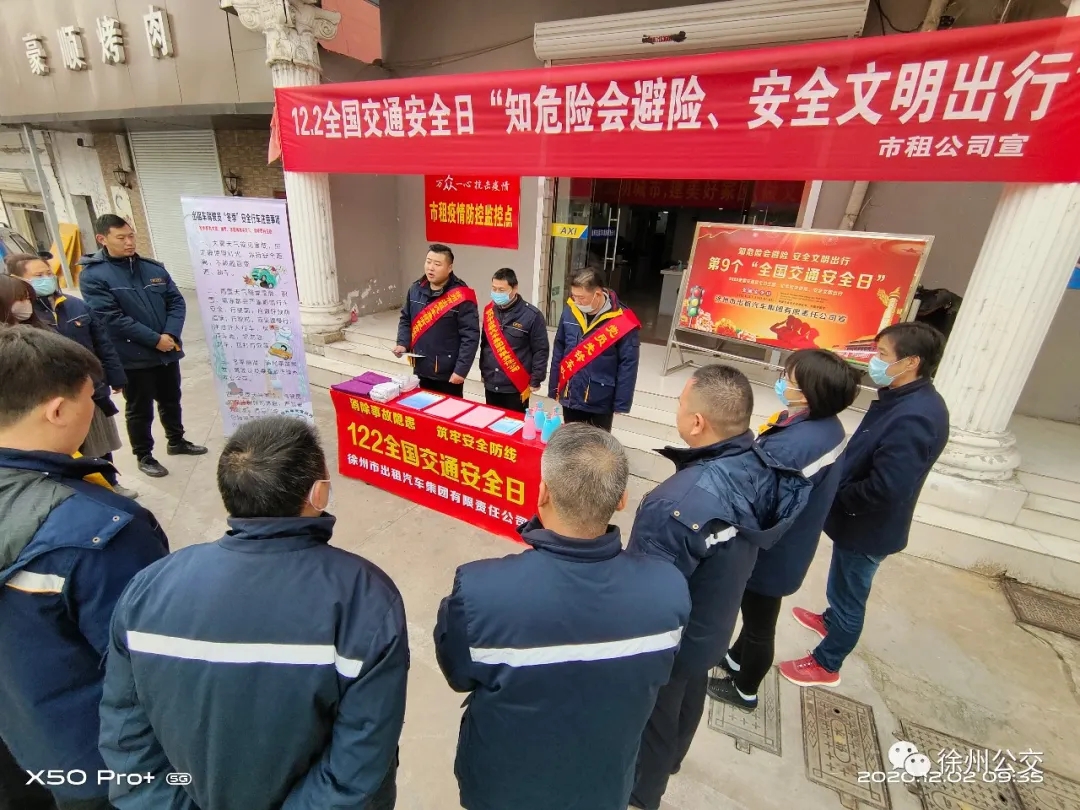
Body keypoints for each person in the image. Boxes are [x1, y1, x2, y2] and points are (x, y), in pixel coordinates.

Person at [100, 415, 408, 810]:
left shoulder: (148, 588)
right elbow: (359, 758)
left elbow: (126, 737)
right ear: (319, 493)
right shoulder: (365, 597)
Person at [434, 424, 690, 810]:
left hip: (502, 787)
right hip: (604, 786)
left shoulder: (481, 591)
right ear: (622, 499)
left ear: (542, 493)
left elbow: (458, 674)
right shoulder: (667, 590)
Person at [0, 325, 170, 810]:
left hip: (23, 739)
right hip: (104, 765)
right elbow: (154, 667)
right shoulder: (100, 530)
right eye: (90, 397)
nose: (96, 407)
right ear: (57, 410)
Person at [626, 364, 811, 810]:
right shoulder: (759, 464)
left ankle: (641, 794)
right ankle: (672, 760)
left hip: (670, 639)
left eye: (680, 403)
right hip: (713, 622)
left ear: (697, 422)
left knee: (653, 720)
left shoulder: (674, 505)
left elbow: (645, 596)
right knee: (689, 692)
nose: (677, 409)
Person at [779, 322, 949, 687]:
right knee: (841, 583)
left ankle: (827, 663)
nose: (874, 361)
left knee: (850, 596)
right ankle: (830, 620)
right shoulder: (901, 398)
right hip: (856, 518)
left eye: (883, 355)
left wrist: (836, 496)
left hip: (869, 525)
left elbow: (888, 488)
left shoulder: (916, 417)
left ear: (911, 362)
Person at [708, 350, 859, 710]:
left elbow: (757, 495)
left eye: (788, 379)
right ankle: (735, 659)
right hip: (791, 541)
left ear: (809, 392)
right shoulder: (826, 426)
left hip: (772, 548)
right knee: (756, 614)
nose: (781, 383)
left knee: (760, 624)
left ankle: (745, 690)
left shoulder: (794, 445)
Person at [79, 214, 206, 479]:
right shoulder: (93, 276)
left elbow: (176, 302)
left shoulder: (152, 268)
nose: (129, 242)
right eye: (121, 238)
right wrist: (154, 339)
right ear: (102, 239)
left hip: (166, 350)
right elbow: (111, 318)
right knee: (140, 408)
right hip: (133, 355)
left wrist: (170, 334)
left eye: (131, 236)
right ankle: (144, 455)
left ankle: (176, 441)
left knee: (171, 399)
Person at [6, 253, 138, 499]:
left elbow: (102, 343)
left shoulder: (74, 305)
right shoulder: (19, 328)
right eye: (38, 275)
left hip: (88, 389)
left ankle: (109, 483)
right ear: (17, 280)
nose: (47, 278)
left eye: (48, 273)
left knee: (100, 443)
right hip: (53, 400)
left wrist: (114, 376)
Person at [548, 269, 640, 432]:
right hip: (570, 393)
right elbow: (559, 348)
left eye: (581, 297)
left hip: (600, 397)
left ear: (597, 294)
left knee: (596, 443)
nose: (576, 301)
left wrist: (622, 402)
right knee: (571, 439)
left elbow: (628, 364)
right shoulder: (570, 311)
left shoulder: (622, 319)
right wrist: (554, 386)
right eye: (574, 296)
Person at [393, 243, 480, 398]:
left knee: (448, 411)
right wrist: (402, 343)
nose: (430, 268)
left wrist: (461, 370)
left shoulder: (461, 295)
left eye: (437, 264)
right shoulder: (415, 289)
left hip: (447, 374)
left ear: (449, 267)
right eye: (428, 262)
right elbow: (406, 319)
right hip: (420, 367)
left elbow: (470, 336)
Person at [478, 267, 549, 413]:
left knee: (515, 424)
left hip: (515, 384)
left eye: (501, 290)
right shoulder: (489, 311)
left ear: (515, 288)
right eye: (494, 289)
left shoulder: (532, 315)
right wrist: (483, 371)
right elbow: (485, 345)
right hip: (491, 381)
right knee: (492, 420)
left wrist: (536, 379)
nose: (497, 293)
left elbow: (540, 350)